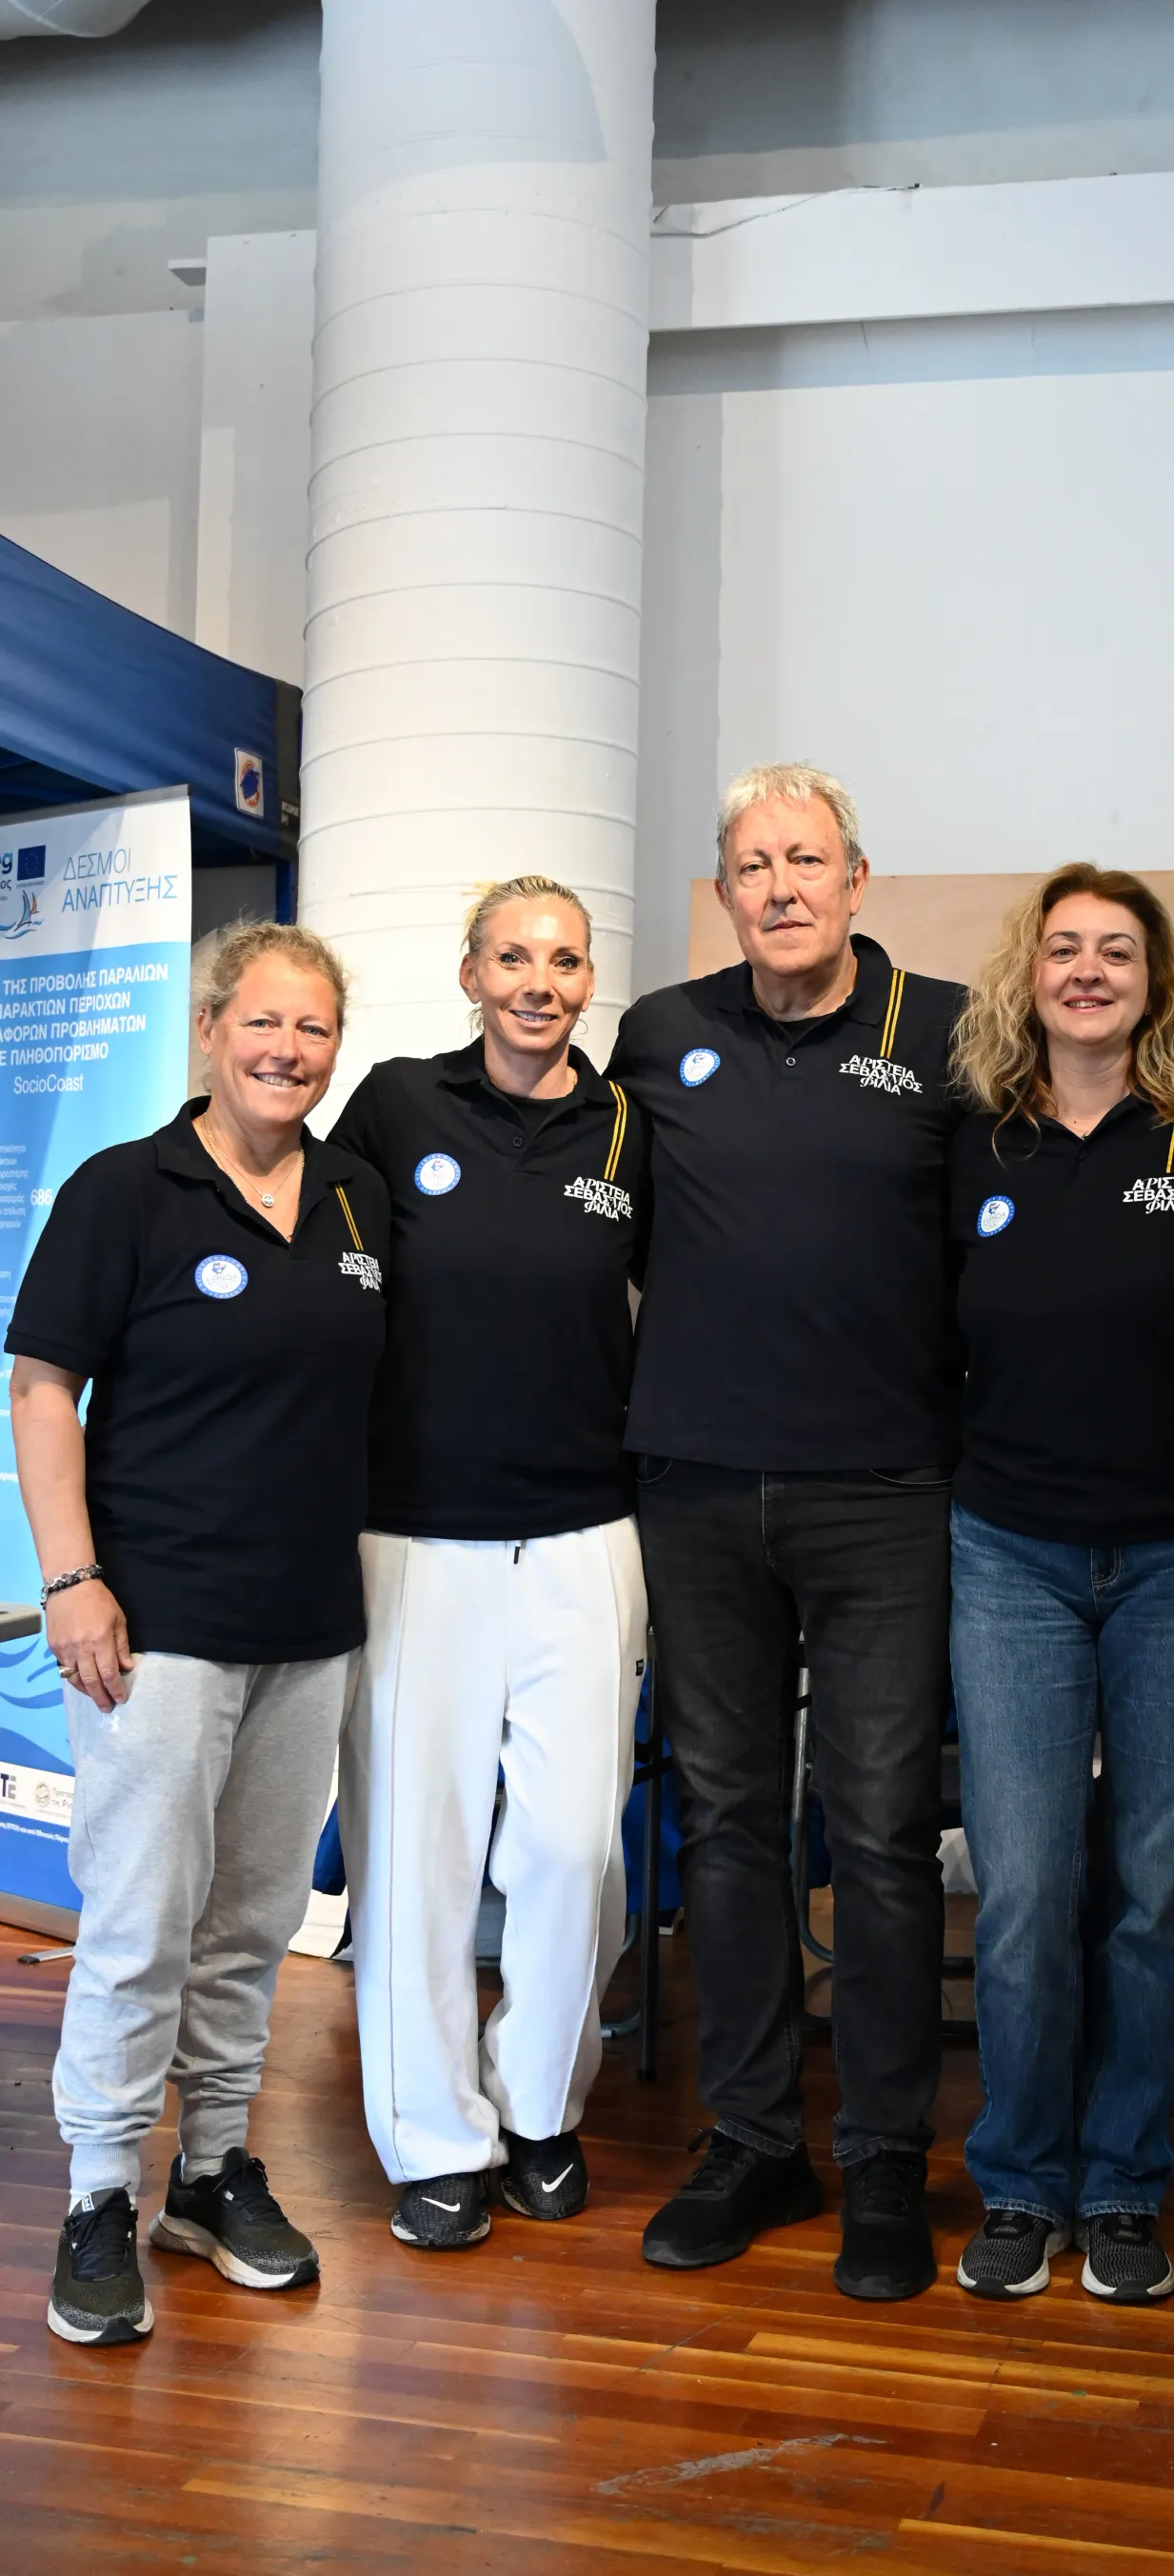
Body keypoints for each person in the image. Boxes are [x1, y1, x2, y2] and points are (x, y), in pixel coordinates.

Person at [607, 763, 962, 2302]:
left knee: (879, 1835)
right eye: (754, 866)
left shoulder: (947, 1034)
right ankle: (755, 2141)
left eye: (807, 860)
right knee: (729, 1826)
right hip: (694, 1489)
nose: (783, 887)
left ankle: (882, 2155)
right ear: (726, 892)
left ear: (857, 879)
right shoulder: (657, 1035)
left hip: (885, 1495)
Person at [7, 921, 386, 2346]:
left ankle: (211, 2171)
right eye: (265, 1023)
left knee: (252, 1924)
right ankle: (100, 2194)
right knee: (139, 1923)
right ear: (213, 1030)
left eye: (314, 1029)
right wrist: (71, 1579)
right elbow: (42, 1389)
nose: (289, 1051)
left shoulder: (354, 1197)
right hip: (155, 1625)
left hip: (309, 1621)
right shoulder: (127, 1188)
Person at [946, 864, 1174, 2306]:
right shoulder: (972, 1134)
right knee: (1026, 1892)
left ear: (1156, 982)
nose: (1088, 971)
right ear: (1027, 972)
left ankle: (1122, 2184)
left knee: (1152, 1893)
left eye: (1117, 952)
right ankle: (1020, 2183)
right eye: (1065, 949)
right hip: (1008, 1552)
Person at [331, 877, 649, 2249]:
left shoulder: (629, 1126)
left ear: (589, 982)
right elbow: (317, 1265)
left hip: (588, 1533)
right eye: (513, 956)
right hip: (416, 1535)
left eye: (564, 960)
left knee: (575, 1847)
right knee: (420, 1848)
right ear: (470, 973)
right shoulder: (399, 1105)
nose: (539, 981)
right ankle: (434, 2138)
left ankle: (540, 2110)